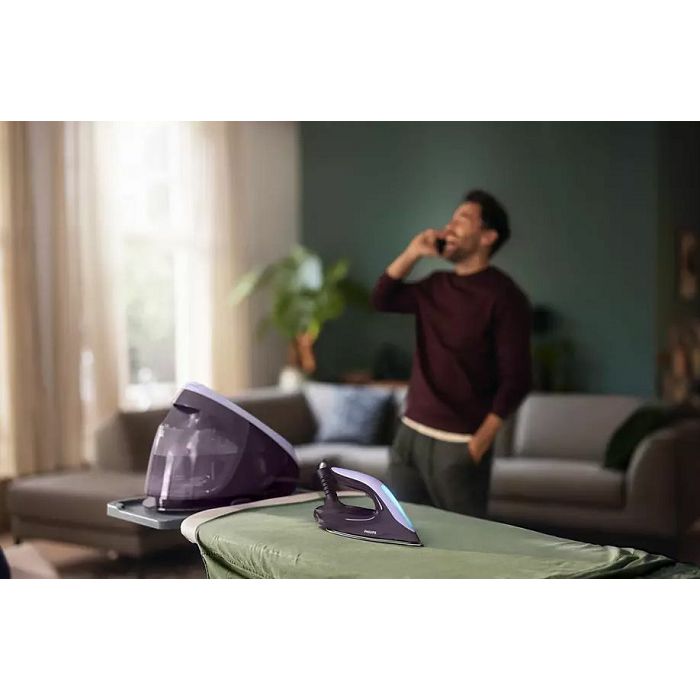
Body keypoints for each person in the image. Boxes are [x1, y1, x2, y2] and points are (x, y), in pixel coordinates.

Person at [372, 189, 532, 517]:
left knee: (466, 544)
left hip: (459, 446)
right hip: (409, 437)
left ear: (487, 237)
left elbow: (517, 380)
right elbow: (381, 299)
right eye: (452, 218)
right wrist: (413, 252)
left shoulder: (505, 296)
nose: (449, 226)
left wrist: (478, 445)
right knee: (402, 535)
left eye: (463, 219)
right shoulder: (434, 285)